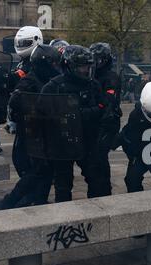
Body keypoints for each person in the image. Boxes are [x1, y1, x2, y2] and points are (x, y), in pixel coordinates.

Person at [41, 45, 112, 202]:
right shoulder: (53, 86)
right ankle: (64, 219)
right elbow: (43, 114)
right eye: (81, 67)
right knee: (63, 185)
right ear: (69, 66)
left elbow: (104, 108)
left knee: (96, 181)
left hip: (88, 140)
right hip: (62, 143)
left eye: (88, 66)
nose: (85, 70)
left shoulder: (93, 85)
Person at [0, 44, 62, 210]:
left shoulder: (48, 80)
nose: (56, 67)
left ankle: (39, 203)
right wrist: (34, 114)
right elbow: (15, 105)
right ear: (44, 63)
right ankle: (7, 204)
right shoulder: (29, 82)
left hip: (46, 136)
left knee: (46, 173)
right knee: (34, 174)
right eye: (53, 63)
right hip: (30, 138)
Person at [90, 42, 122, 188]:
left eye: (99, 59)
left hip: (109, 122)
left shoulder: (111, 77)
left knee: (101, 156)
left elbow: (109, 101)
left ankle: (104, 187)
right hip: (96, 121)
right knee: (95, 157)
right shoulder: (91, 75)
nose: (97, 63)